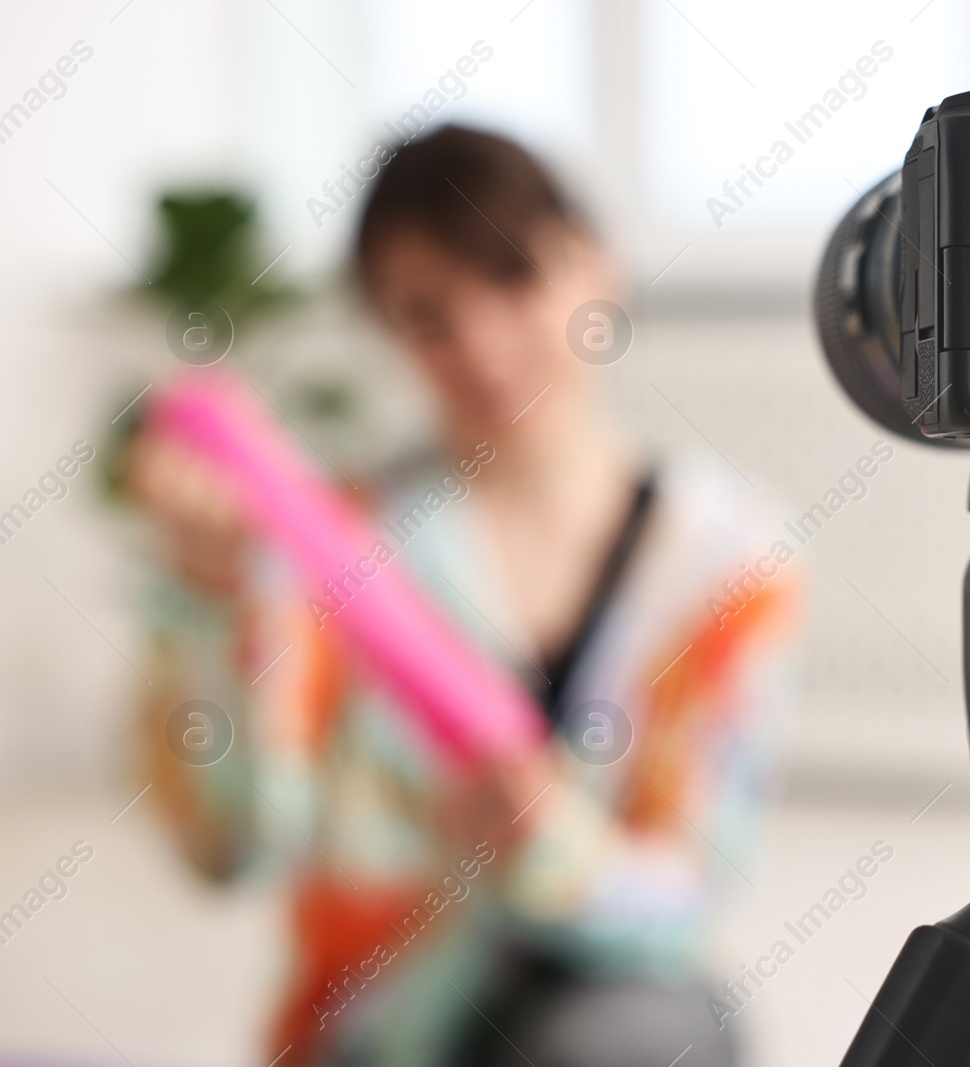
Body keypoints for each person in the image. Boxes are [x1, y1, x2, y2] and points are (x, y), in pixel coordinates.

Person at [129, 125, 800, 1067]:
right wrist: (205, 609)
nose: (480, 344)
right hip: (382, 1030)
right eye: (425, 314)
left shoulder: (731, 563)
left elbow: (694, 892)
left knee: (646, 1034)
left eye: (514, 279)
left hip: (613, 1008)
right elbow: (232, 845)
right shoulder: (338, 550)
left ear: (593, 264)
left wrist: (553, 851)